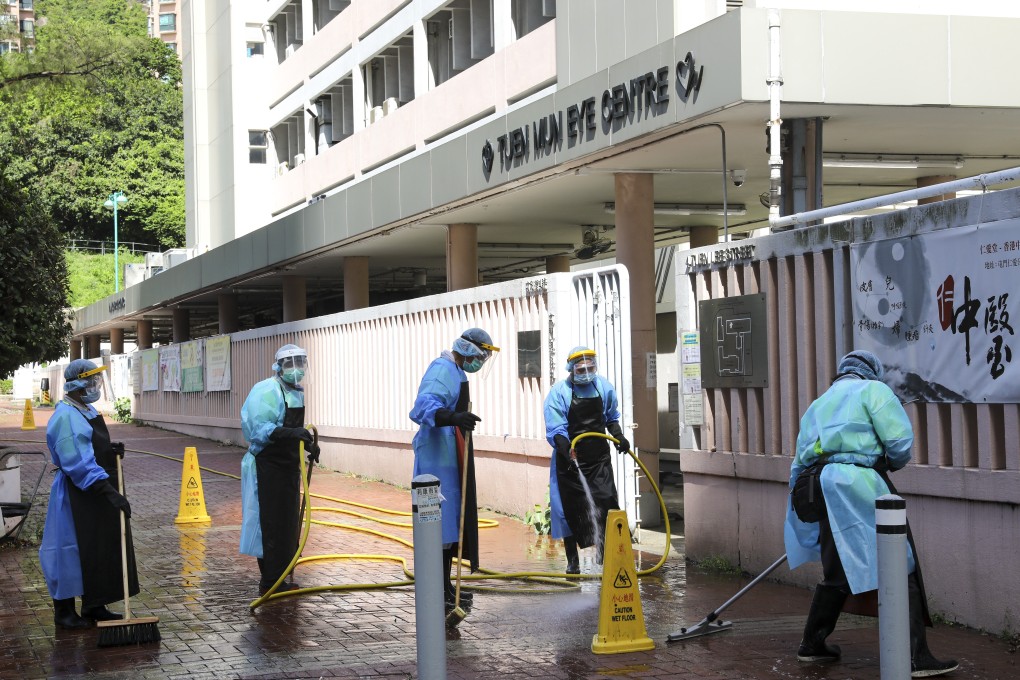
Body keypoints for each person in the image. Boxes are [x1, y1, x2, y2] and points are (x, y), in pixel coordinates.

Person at [784, 350, 958, 677]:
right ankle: (915, 657)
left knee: (836, 568)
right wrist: (890, 462)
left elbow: (798, 462)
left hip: (821, 486)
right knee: (900, 560)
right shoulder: (873, 390)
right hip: (861, 483)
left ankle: (812, 643)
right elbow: (900, 441)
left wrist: (798, 506)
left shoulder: (818, 404)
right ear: (871, 372)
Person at [39, 359, 137, 630]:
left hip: (92, 491)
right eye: (92, 380)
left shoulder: (85, 408)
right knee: (70, 549)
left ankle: (95, 604)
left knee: (96, 547)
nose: (96, 386)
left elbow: (91, 446)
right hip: (77, 493)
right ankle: (64, 611)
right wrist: (108, 492)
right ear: (78, 383)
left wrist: (109, 449)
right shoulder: (66, 416)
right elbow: (77, 461)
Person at [409, 328, 499, 612]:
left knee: (449, 528)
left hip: (451, 455)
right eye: (482, 353)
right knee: (437, 526)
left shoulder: (458, 371)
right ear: (469, 348)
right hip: (437, 457)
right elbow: (422, 408)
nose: (482, 359)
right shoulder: (443, 369)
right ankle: (437, 589)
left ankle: (446, 587)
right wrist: (452, 416)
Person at [240, 344, 319, 595]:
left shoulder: (296, 392)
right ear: (278, 366)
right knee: (270, 523)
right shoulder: (266, 390)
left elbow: (293, 428)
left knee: (287, 524)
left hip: (287, 467)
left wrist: (307, 445)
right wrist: (291, 432)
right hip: (268, 466)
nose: (295, 370)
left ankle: (281, 577)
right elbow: (259, 429)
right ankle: (269, 581)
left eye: (300, 364)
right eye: (290, 364)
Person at [543, 346, 630, 574]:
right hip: (570, 459)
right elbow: (556, 429)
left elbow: (611, 417)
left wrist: (618, 436)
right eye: (582, 369)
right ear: (572, 370)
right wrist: (566, 451)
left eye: (591, 368)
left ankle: (605, 555)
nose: (587, 372)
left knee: (607, 500)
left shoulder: (603, 387)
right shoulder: (559, 392)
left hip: (598, 458)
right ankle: (573, 562)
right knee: (569, 509)